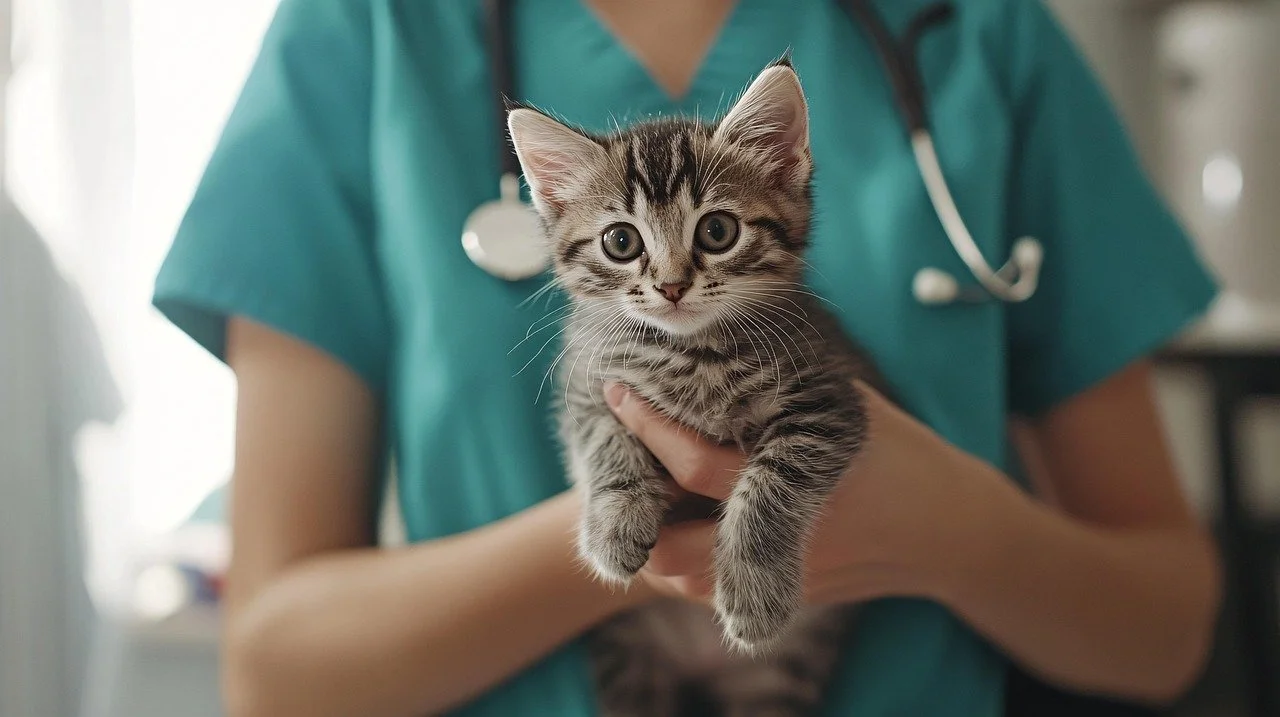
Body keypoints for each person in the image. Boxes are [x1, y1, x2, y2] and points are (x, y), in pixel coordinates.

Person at [151, 0, 1223, 715]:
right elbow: (275, 670)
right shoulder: (367, 32)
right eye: (626, 245)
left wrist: (950, 529)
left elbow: (1163, 631)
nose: (666, 281)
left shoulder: (970, 29)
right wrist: (658, 524)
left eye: (706, 238)